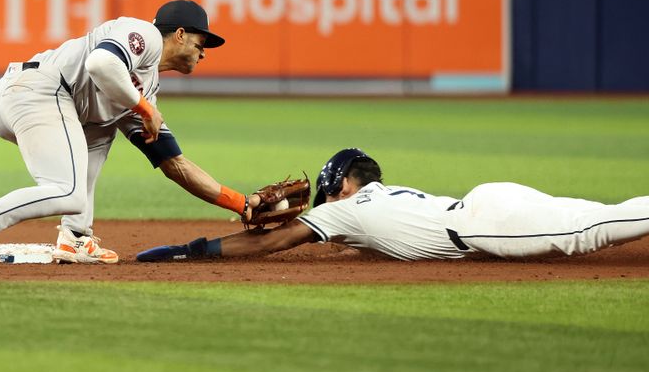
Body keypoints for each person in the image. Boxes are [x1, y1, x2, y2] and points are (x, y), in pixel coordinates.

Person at [0, 0, 261, 268]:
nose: (204, 53)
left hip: (38, 101)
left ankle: (75, 236)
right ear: (179, 34)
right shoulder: (142, 34)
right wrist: (145, 109)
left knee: (103, 125)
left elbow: (173, 163)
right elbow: (101, 63)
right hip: (39, 91)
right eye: (201, 43)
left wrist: (241, 203)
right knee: (67, 190)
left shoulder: (148, 86)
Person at [136, 148, 649, 262]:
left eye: (328, 190)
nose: (322, 202)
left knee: (592, 228)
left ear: (345, 185)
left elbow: (271, 240)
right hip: (490, 204)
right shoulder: (375, 204)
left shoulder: (345, 209)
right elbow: (369, 244)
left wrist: (190, 249)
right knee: (598, 212)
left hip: (489, 220)